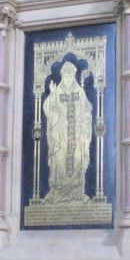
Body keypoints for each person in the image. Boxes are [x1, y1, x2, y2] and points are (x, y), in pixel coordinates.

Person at [43, 61, 92, 204]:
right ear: (63, 77)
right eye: (67, 75)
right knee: (59, 159)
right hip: (60, 135)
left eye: (71, 75)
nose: (69, 78)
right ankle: (58, 192)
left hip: (77, 135)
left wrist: (84, 120)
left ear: (74, 76)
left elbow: (87, 110)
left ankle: (76, 193)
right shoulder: (57, 92)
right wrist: (52, 95)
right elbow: (48, 110)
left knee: (77, 159)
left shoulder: (80, 92)